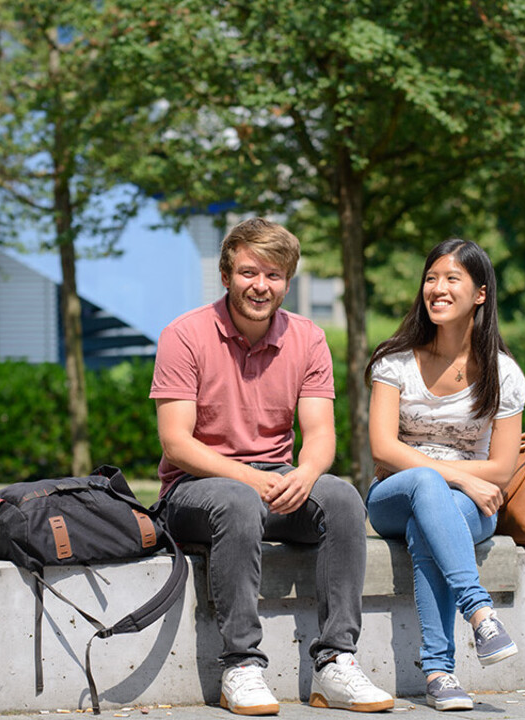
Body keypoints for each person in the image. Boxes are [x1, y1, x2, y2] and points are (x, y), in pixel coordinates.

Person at [150, 218, 394, 716]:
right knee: (238, 501)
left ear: (288, 280)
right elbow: (176, 443)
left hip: (276, 481)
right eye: (248, 272)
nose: (260, 285)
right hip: (195, 490)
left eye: (274, 275)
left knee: (343, 497)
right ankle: (240, 665)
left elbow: (321, 435)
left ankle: (336, 663)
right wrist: (250, 478)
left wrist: (304, 475)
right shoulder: (184, 335)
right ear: (226, 275)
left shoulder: (308, 338)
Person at [363, 238, 525, 712]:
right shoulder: (394, 362)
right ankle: (479, 611)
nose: (437, 288)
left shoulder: (504, 372)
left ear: (480, 293)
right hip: (393, 496)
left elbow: (503, 467)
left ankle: (438, 673)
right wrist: (460, 475)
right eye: (431, 278)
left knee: (428, 525)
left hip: (471, 506)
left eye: (451, 278)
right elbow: (382, 448)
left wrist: (461, 480)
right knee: (428, 485)